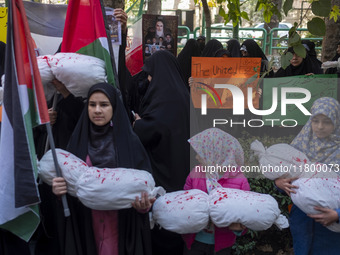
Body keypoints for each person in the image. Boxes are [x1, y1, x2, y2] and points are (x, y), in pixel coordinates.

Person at [52, 83, 154, 255]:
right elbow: (67, 188)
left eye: (104, 105)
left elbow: (145, 185)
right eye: (92, 105)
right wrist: (58, 190)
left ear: (114, 107)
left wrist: (143, 205)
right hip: (87, 227)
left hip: (121, 227)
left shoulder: (130, 143)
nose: (97, 110)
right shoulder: (77, 143)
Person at [132, 50, 190, 255]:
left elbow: (153, 130)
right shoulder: (183, 95)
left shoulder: (165, 99)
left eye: (149, 74)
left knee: (164, 227)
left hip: (164, 174)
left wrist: (139, 124)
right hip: (183, 172)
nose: (147, 79)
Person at [274, 97, 340, 255]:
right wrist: (279, 183)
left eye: (327, 122)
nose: (320, 127)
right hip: (302, 223)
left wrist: (337, 214)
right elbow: (284, 181)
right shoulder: (299, 146)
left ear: (336, 122)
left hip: (331, 231)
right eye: (315, 121)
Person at [183, 128, 250, 255]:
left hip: (222, 245)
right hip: (194, 241)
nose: (196, 157)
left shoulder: (240, 180)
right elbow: (183, 201)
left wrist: (239, 228)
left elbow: (247, 214)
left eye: (201, 153)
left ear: (216, 154)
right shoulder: (195, 174)